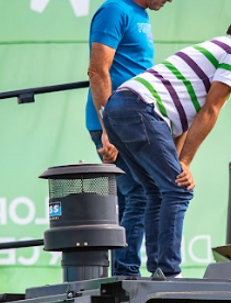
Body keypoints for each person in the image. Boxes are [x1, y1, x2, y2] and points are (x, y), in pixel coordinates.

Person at [102, 11, 231, 277]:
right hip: (141, 109)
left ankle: (128, 272)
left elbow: (180, 123)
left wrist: (177, 158)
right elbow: (210, 110)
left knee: (156, 191)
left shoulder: (213, 48)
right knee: (179, 189)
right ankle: (168, 272)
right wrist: (184, 163)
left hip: (118, 107)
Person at [86, 0, 174, 276]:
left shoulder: (141, 14)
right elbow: (98, 71)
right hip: (116, 122)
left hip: (133, 120)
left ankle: (124, 271)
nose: (169, 1)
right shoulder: (115, 9)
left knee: (130, 198)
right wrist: (107, 129)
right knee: (139, 194)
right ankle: (126, 273)